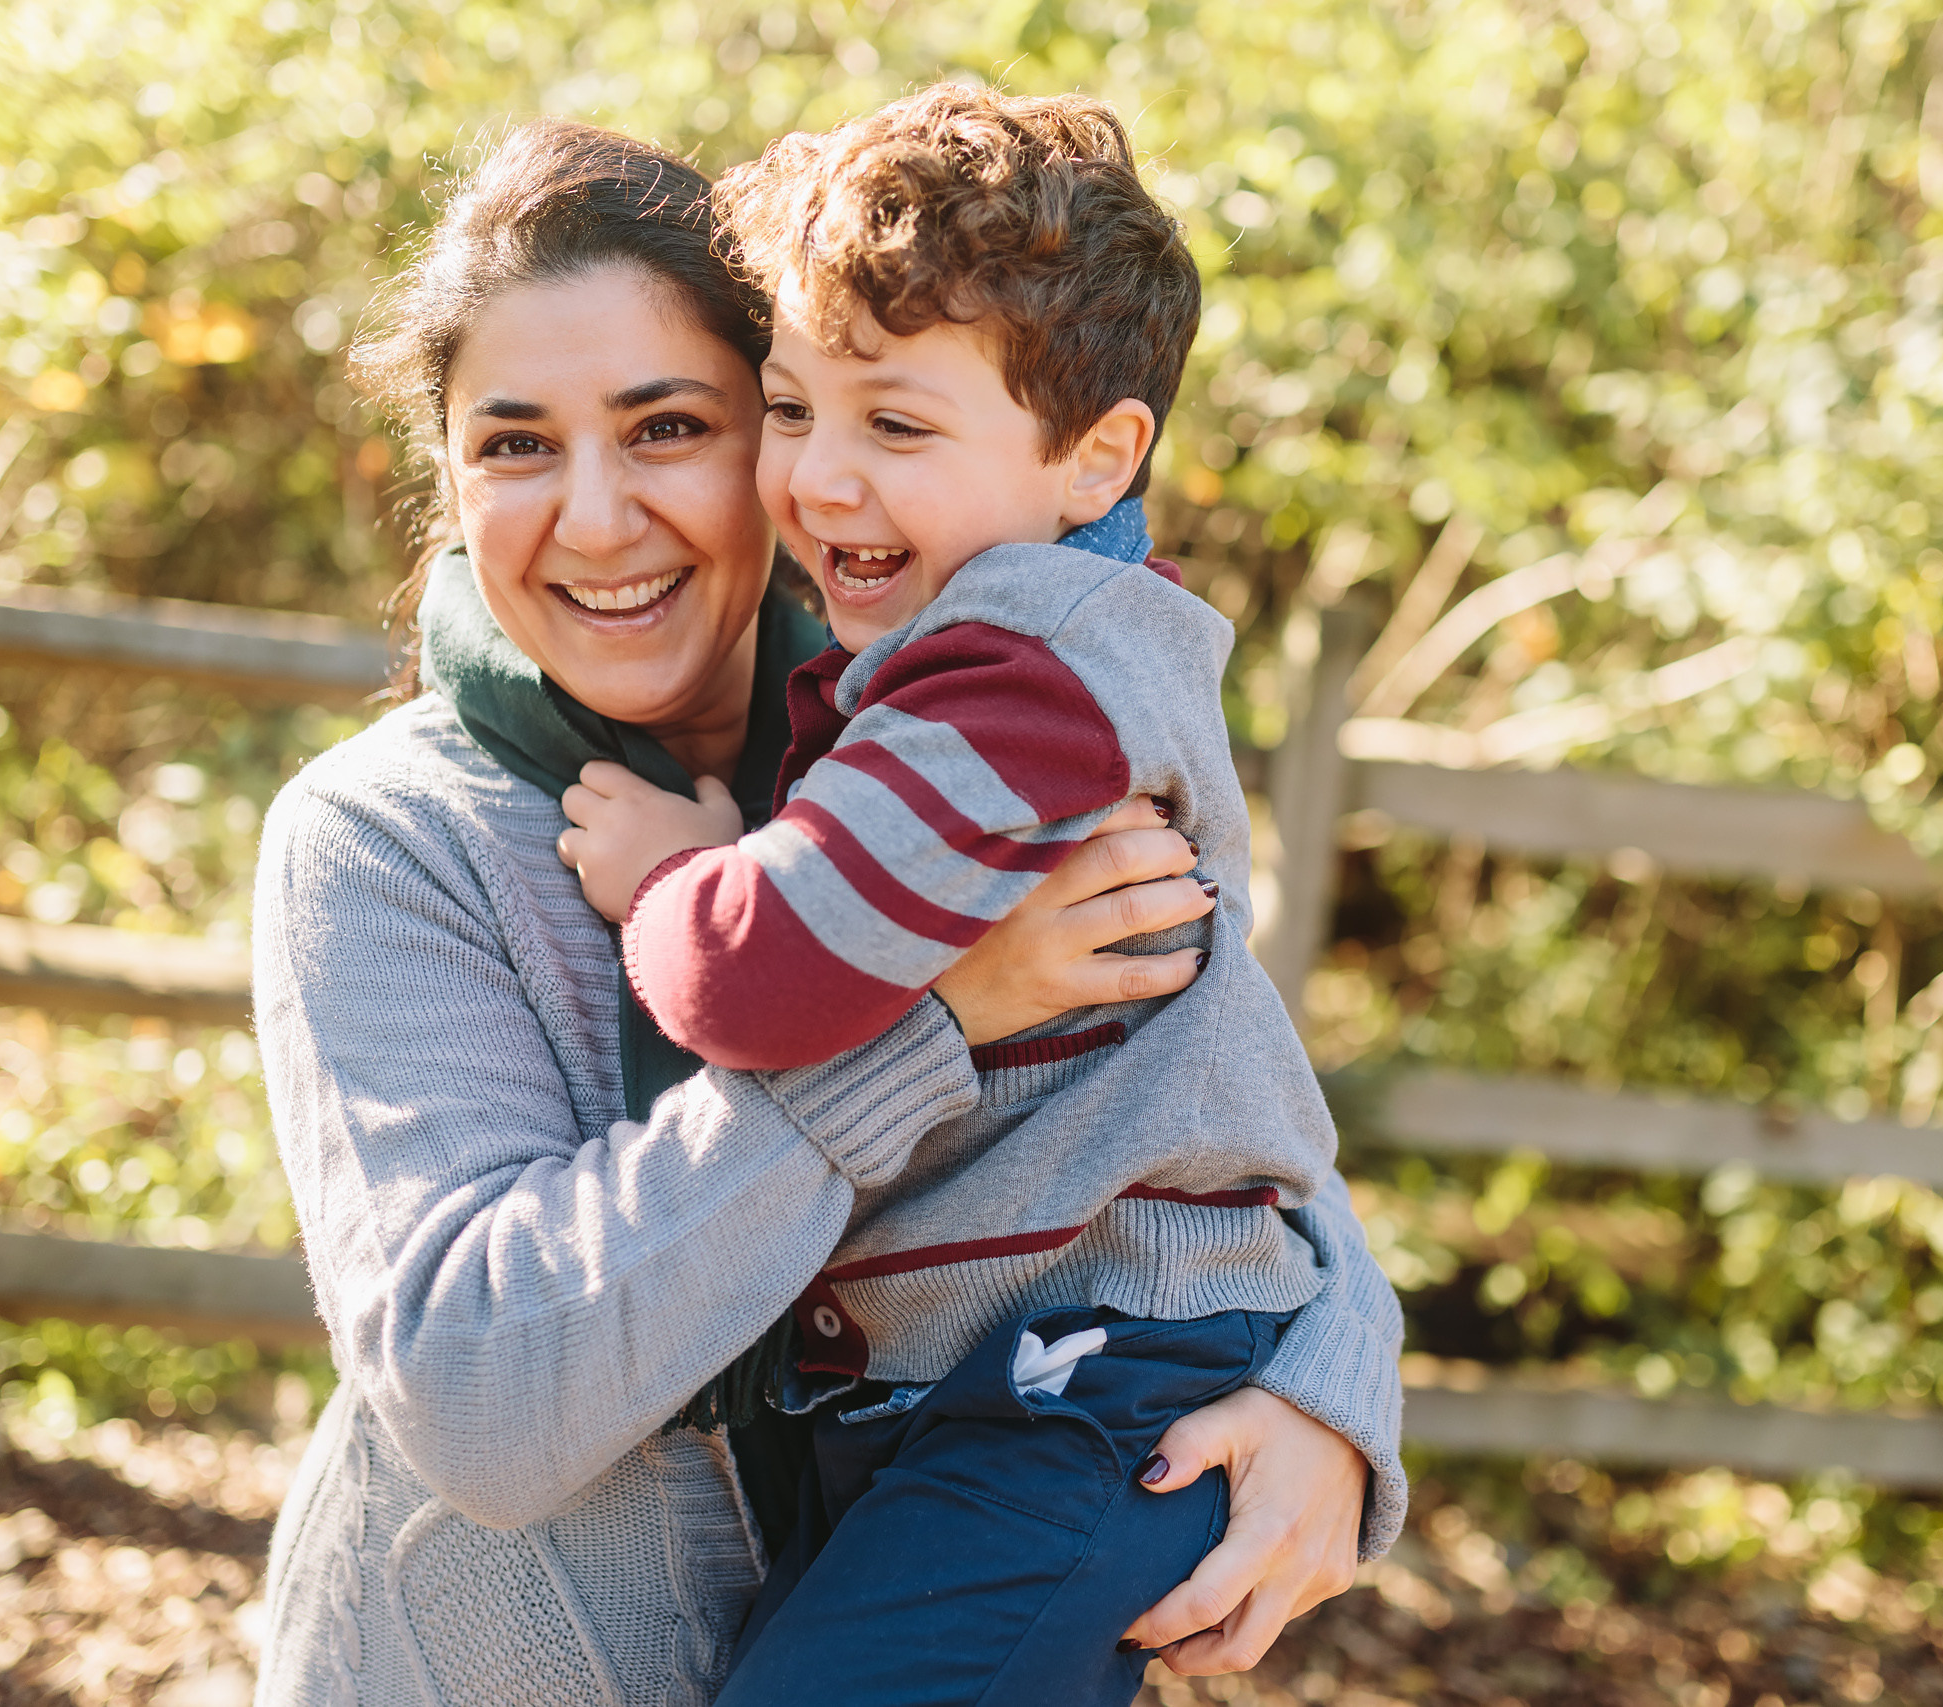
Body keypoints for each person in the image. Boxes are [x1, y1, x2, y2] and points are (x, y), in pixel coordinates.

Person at [250, 117, 1407, 1707]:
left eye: (669, 426)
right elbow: (479, 1399)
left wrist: (1336, 1399)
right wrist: (930, 1027)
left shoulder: (945, 745)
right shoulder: (386, 839)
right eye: (515, 444)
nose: (590, 517)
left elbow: (1199, 1100)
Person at [549, 88, 1349, 1707]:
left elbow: (753, 977)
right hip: (1019, 1387)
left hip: (1082, 1395)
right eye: (791, 409)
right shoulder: (1017, 647)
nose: (822, 482)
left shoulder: (1020, 674)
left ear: (1095, 457)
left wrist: (671, 880)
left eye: (897, 429)